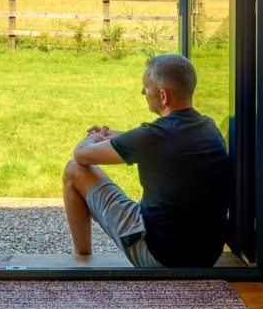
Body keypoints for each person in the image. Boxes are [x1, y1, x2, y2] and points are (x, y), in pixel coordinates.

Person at [62, 53, 229, 268]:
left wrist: (93, 138)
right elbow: (149, 138)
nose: (143, 91)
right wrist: (111, 134)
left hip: (161, 258)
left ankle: (81, 260)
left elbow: (82, 155)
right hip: (206, 256)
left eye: (146, 86)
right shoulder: (208, 127)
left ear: (163, 95)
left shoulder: (152, 137)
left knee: (73, 169)